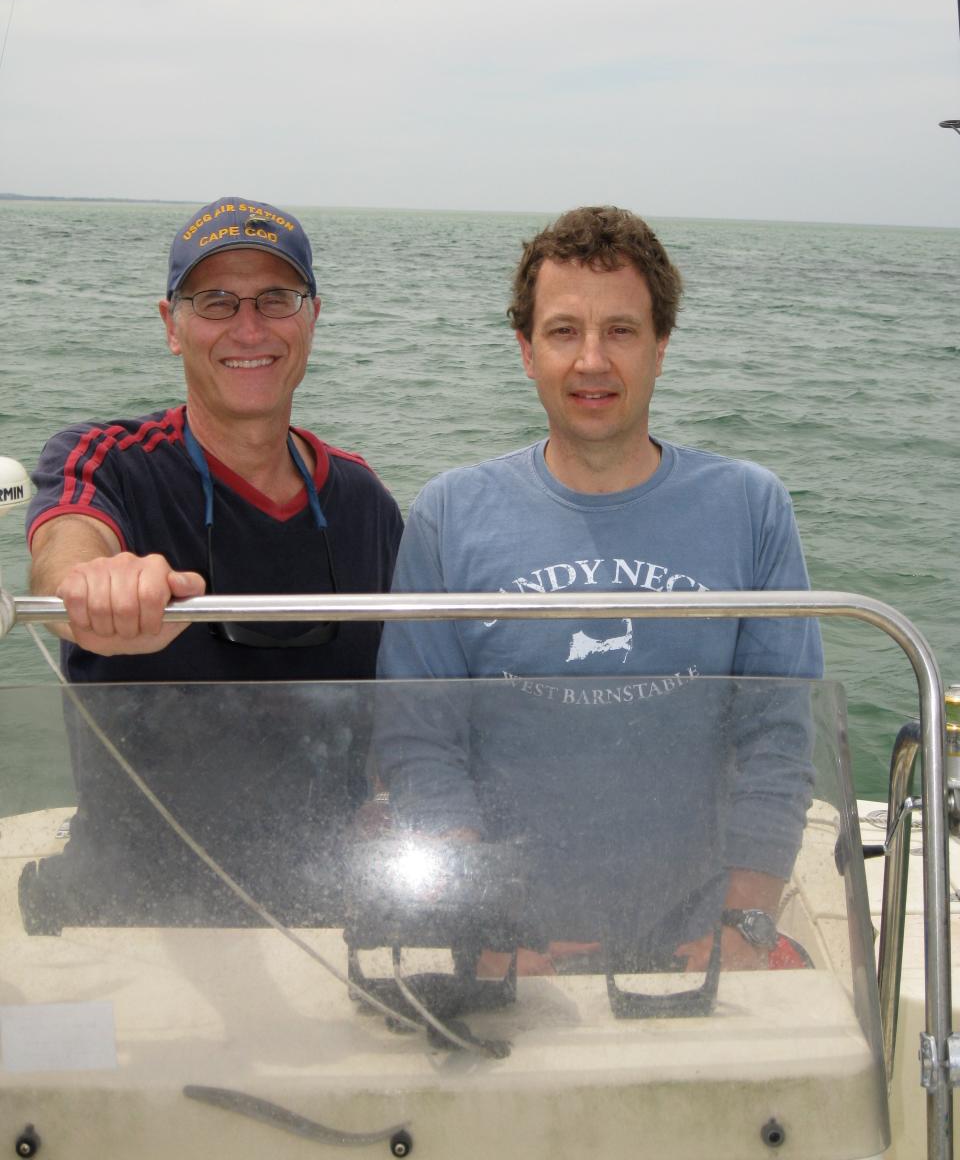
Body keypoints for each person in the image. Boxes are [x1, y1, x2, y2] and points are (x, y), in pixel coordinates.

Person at [375, 205, 822, 973]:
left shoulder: (751, 506)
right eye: (562, 332)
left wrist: (743, 922)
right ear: (525, 350)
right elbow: (420, 743)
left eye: (620, 331)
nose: (591, 361)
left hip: (698, 944)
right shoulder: (449, 512)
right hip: (506, 946)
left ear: (661, 348)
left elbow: (778, 737)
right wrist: (483, 923)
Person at [22, 197, 403, 928]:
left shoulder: (364, 498)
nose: (249, 327)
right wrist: (93, 585)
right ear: (172, 325)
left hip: (329, 899)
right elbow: (65, 546)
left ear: (313, 318)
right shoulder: (107, 461)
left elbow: (398, 697)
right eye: (216, 301)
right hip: (140, 903)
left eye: (276, 299)